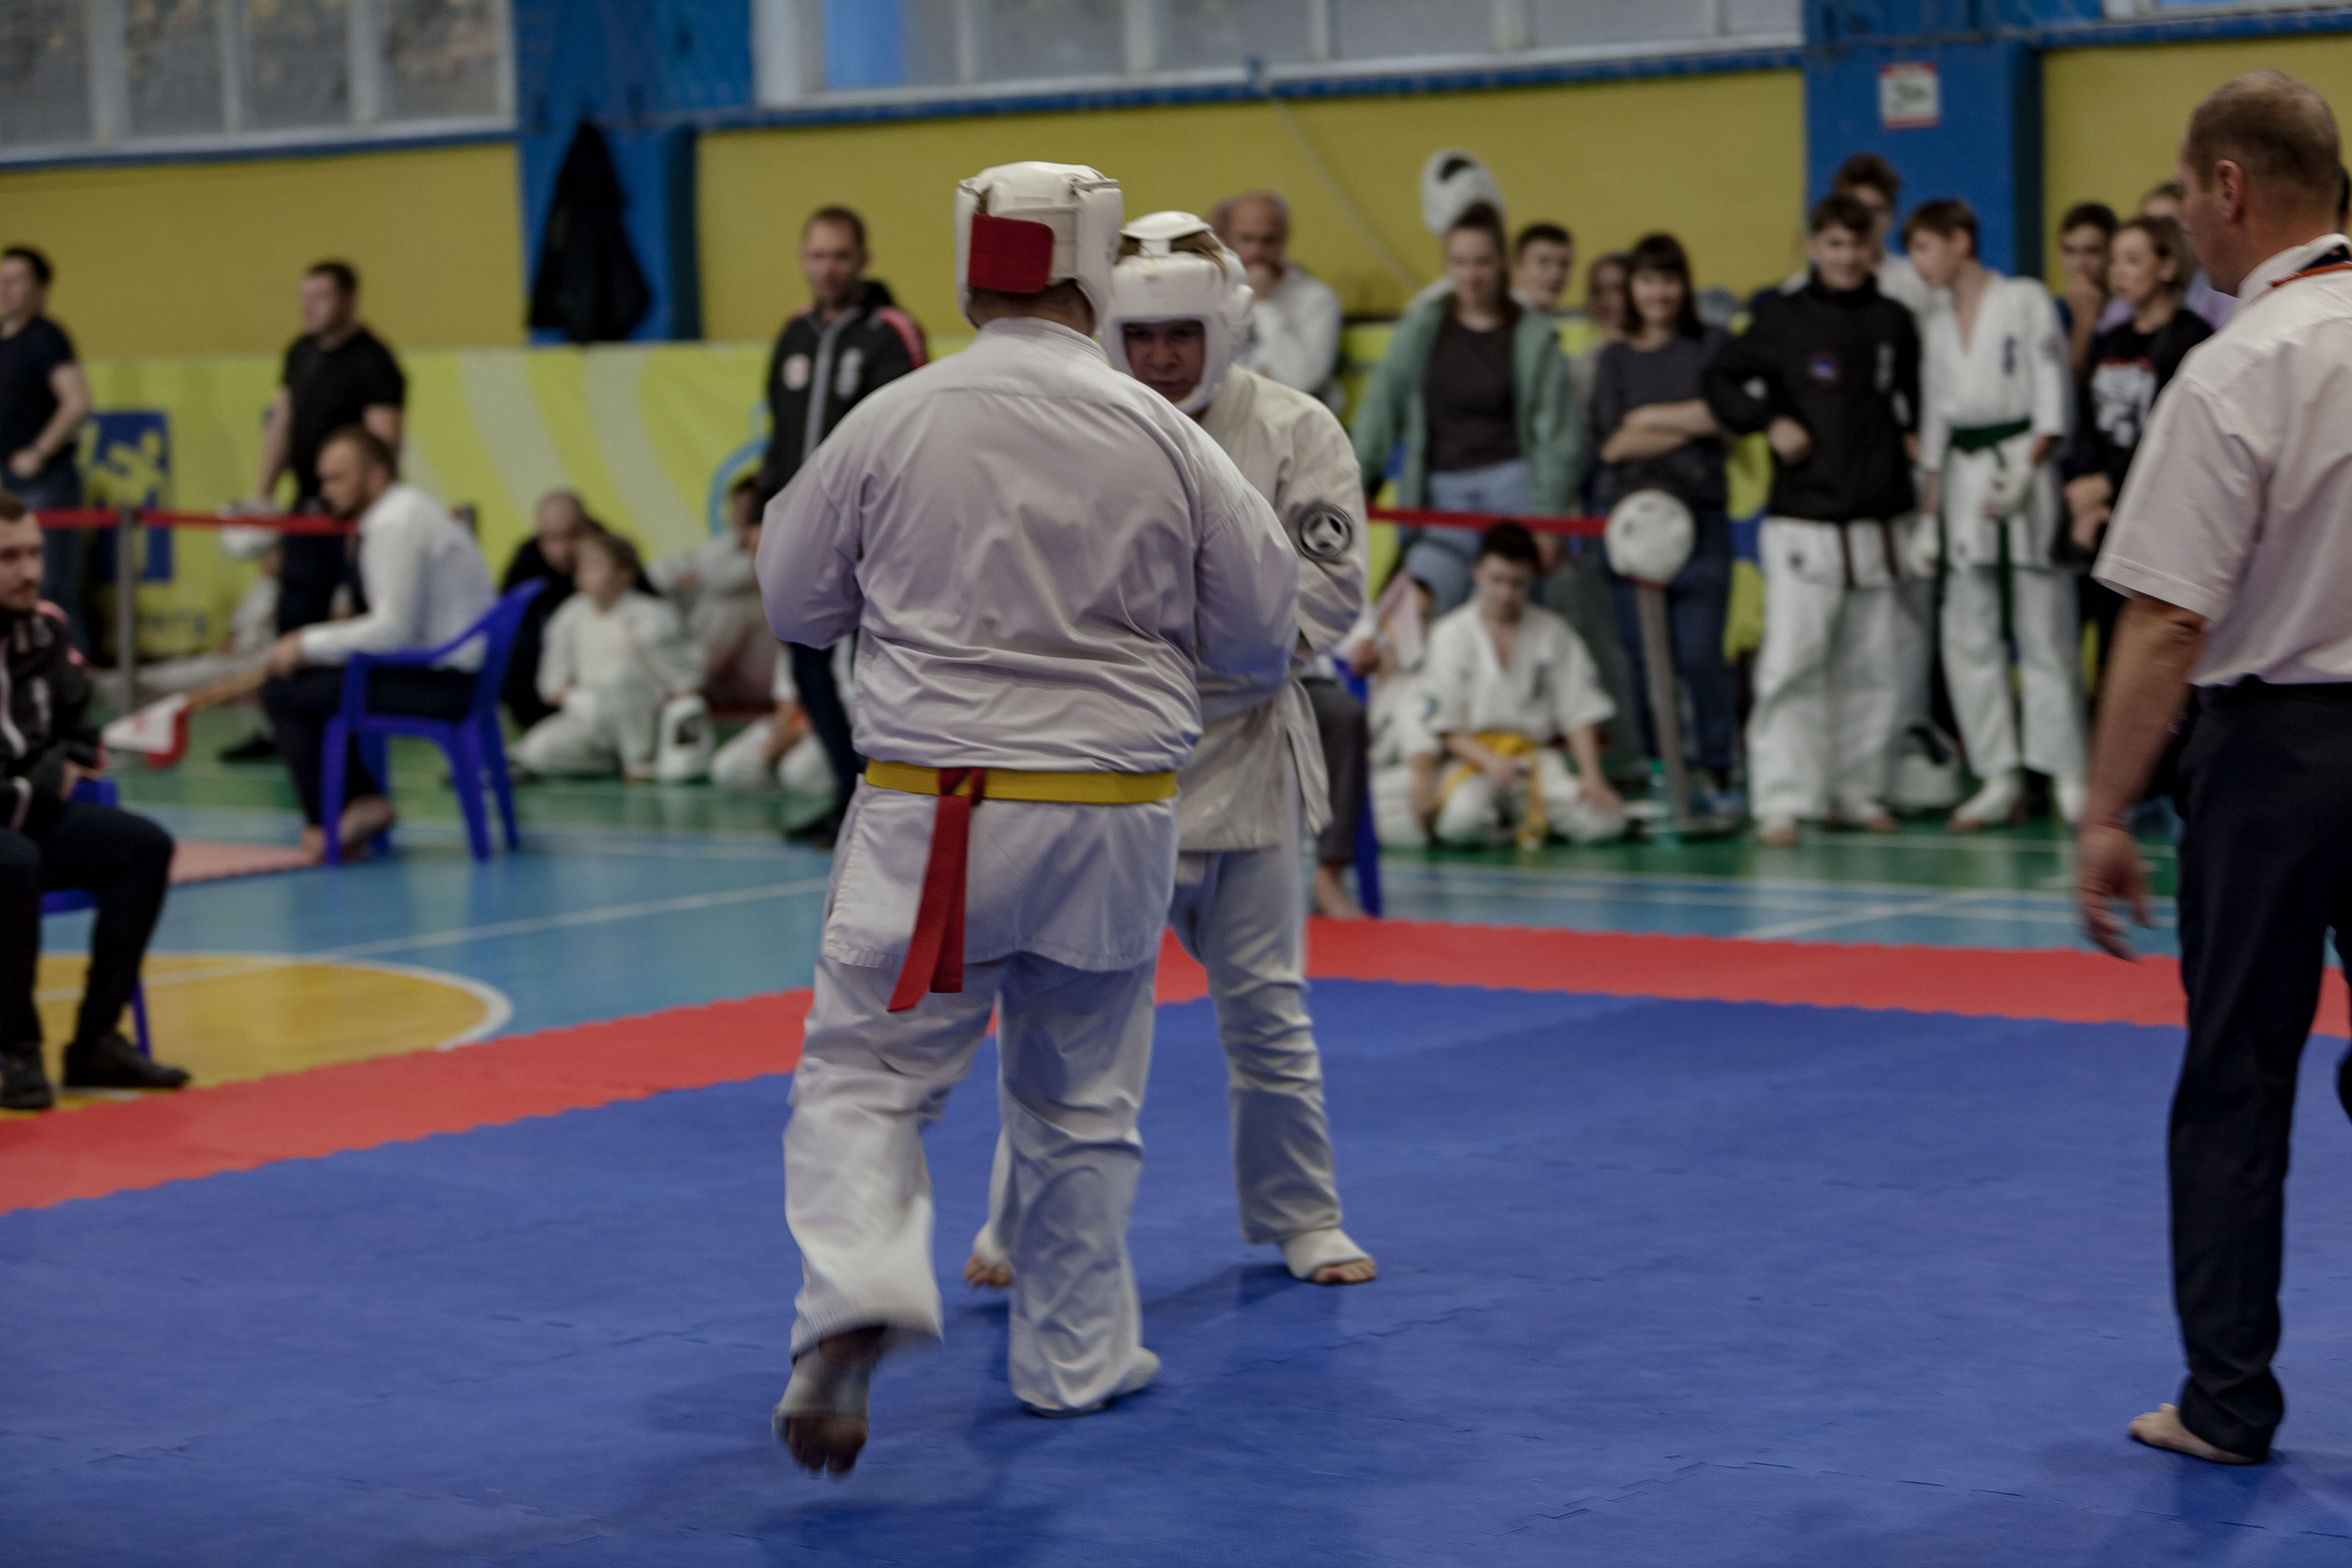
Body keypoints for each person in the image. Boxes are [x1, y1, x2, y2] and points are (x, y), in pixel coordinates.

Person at [758, 162, 1296, 1474]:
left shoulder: (893, 417)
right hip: (1113, 810)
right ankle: (1076, 1359)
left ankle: (858, 1292)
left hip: (939, 812)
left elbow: (792, 602)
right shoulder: (1167, 432)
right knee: (1080, 1101)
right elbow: (1262, 631)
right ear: (1094, 277)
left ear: (967, 273)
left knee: (872, 1078)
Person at [965, 209, 1373, 1295]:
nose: (1161, 359)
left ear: (1223, 329)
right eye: (1141, 340)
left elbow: (1322, 601)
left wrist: (1169, 650)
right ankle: (1015, 1224)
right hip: (1105, 776)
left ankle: (1304, 1218)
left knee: (1268, 1012)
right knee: (1072, 1022)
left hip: (1247, 767)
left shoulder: (1297, 432)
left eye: (1181, 337)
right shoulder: (1067, 434)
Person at [2075, 70, 2352, 1471]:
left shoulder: (2240, 362)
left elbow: (2169, 616)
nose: (2183, 220)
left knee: (2241, 1071)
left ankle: (2227, 1402)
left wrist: (2107, 805)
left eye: (2186, 196)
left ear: (2231, 189)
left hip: (2278, 757)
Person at [1707, 194, 1920, 847]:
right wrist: (1767, 422)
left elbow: (1913, 404)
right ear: (1812, 247)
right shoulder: (1781, 318)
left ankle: (1857, 789)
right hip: (1802, 517)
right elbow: (1718, 380)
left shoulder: (1895, 320)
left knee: (1875, 663)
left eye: (1857, 245)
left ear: (1871, 248)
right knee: (1794, 661)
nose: (1846, 257)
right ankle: (1784, 797)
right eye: (1833, 244)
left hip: (1878, 516)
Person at [0, 495, 188, 1111]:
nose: (29, 571)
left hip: (28, 814)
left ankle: (94, 1041)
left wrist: (54, 769)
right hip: (15, 832)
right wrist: (40, 778)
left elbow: (84, 733)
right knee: (15, 861)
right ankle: (16, 1049)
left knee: (143, 846)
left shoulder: (47, 628)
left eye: (34, 553)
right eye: (8, 558)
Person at [1907, 197, 2082, 831]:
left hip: (2020, 472)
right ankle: (1997, 773)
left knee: (2045, 631)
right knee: (1968, 635)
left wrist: (2030, 470)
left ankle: (2066, 774)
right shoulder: (1933, 323)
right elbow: (1932, 425)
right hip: (1962, 482)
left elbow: (2051, 396)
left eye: (1925, 246)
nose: (1918, 261)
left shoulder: (2026, 299)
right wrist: (1928, 517)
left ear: (1960, 240)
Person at [756, 206, 926, 850]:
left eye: (840, 256)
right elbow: (778, 435)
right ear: (803, 260)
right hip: (804, 535)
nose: (828, 269)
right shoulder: (792, 335)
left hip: (873, 535)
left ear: (863, 259)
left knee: (873, 669)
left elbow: (910, 434)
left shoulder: (891, 332)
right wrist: (764, 513)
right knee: (804, 662)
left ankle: (892, 806)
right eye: (817, 256)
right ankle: (845, 793)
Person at [260, 428, 494, 861]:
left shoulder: (394, 523)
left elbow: (391, 632)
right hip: (449, 670)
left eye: (338, 479)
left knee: (284, 694)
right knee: (313, 683)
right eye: (323, 480)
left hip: (445, 681)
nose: (327, 491)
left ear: (376, 476)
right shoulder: (404, 512)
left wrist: (303, 643)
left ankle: (332, 818)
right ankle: (358, 802)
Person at [1351, 202, 1582, 616]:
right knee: (1411, 612)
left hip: (1517, 492)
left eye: (1482, 263)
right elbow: (1379, 414)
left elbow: (1555, 438)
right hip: (1441, 497)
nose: (1471, 276)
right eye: (1460, 263)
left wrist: (1549, 523)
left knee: (1515, 613)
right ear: (1446, 265)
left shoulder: (1533, 334)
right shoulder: (1421, 327)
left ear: (1503, 264)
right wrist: (1354, 489)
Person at [1589, 232, 1738, 804]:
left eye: (1670, 280)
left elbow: (1721, 414)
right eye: (1648, 281)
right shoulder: (1615, 359)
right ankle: (1663, 767)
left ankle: (1719, 766)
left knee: (1701, 653)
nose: (1660, 293)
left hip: (1699, 519)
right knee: (1645, 658)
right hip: (1629, 526)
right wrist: (1685, 425)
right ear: (1632, 288)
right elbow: (1613, 445)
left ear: (1685, 285)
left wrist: (1648, 417)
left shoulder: (1711, 346)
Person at [2063, 216, 2211, 681]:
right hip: (2106, 516)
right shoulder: (2112, 340)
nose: (2118, 273)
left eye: (2133, 260)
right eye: (2114, 262)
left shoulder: (2194, 340)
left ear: (2167, 267)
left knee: (2151, 649)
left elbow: (2173, 438)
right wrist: (2083, 489)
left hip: (2157, 516)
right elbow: (2088, 421)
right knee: (2103, 646)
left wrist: (2106, 485)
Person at [1425, 522, 1624, 847]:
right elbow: (1444, 724)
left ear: (1532, 579)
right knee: (1459, 825)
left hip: (1533, 762)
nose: (1505, 594)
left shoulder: (1554, 632)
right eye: (1497, 580)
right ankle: (1512, 826)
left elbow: (1579, 710)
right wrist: (1491, 762)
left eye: (1517, 583)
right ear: (1476, 573)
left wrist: (1593, 778)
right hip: (1474, 761)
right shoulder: (1449, 634)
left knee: (1606, 821)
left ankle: (1518, 821)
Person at [514, 527, 700, 781]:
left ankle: (640, 760)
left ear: (625, 574)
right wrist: (585, 703)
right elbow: (552, 685)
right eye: (583, 567)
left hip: (646, 716)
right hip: (593, 721)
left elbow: (683, 683)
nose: (586, 575)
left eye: (596, 566)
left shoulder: (650, 615)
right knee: (536, 750)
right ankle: (610, 760)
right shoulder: (569, 616)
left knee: (618, 675)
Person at [0, 247, 94, 653]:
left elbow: (77, 401)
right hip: (5, 482)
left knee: (49, 584)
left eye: (16, 280)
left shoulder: (45, 338)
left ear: (41, 290)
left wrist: (37, 452)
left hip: (44, 482)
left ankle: (70, 676)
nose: (5, 288)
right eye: (1, 279)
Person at [1211, 189, 1344, 406]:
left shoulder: (1317, 299)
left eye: (1268, 240)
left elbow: (1301, 381)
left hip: (1295, 427)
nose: (1257, 251)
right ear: (1228, 238)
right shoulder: (1212, 293)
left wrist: (1263, 302)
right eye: (1246, 238)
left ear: (1285, 237)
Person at [647, 475, 770, 709]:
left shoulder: (782, 550)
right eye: (735, 510)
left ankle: (680, 681)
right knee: (664, 603)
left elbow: (723, 580)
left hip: (766, 670)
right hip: (729, 671)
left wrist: (698, 578)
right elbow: (660, 573)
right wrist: (696, 578)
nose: (739, 518)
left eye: (749, 510)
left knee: (730, 604)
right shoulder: (725, 545)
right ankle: (677, 677)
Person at [499, 490, 588, 729]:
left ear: (588, 528)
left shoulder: (613, 556)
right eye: (552, 539)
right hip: (545, 704)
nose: (563, 550)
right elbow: (507, 632)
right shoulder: (526, 563)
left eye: (572, 536)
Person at [709, 639, 839, 798]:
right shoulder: (795, 638)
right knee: (728, 768)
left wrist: (804, 729)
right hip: (795, 724)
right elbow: (786, 696)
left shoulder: (848, 640)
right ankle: (782, 785)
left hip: (837, 730)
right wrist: (784, 735)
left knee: (797, 773)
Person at [2133, 180, 2237, 331]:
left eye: (2169, 227)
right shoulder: (2128, 301)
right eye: (2148, 230)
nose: (2159, 239)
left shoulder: (2223, 293)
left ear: (2190, 226)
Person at [2055, 202, 2120, 379]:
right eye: (2070, 251)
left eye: (2092, 252)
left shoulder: (2130, 312)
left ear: (2112, 254)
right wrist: (2083, 322)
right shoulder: (2050, 313)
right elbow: (2062, 387)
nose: (2080, 264)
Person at [1511, 221, 1575, 316]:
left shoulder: (1566, 321)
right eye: (1543, 262)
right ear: (1517, 268)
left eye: (1564, 264)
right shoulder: (1495, 320)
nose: (1556, 272)